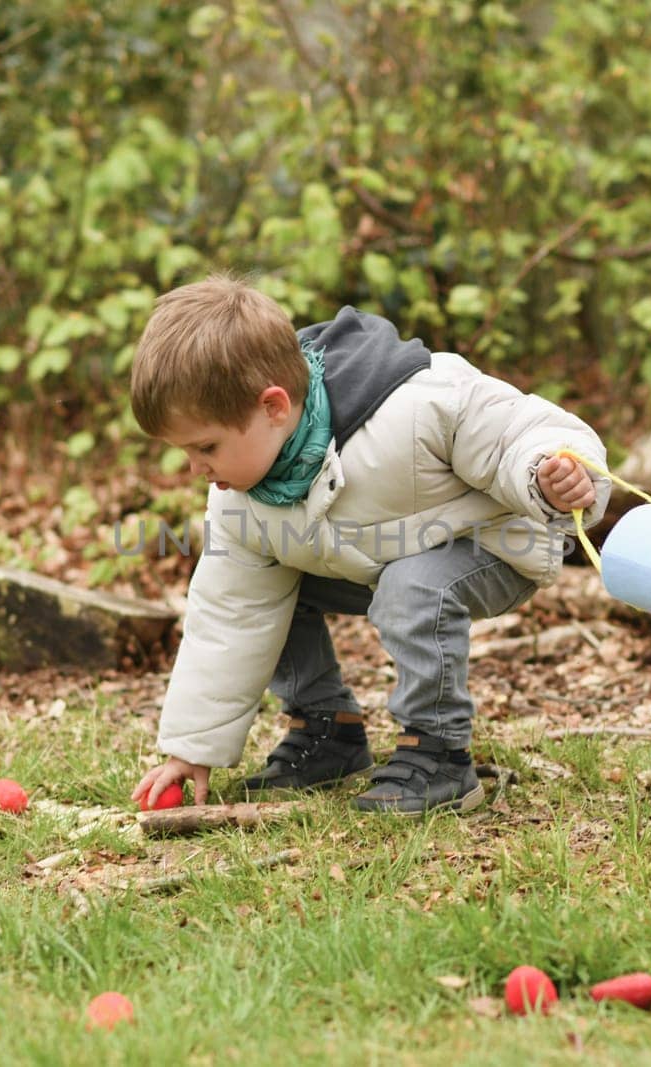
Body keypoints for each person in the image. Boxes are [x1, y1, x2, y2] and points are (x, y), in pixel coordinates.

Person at [127, 275, 609, 815]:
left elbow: (515, 429)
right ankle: (329, 731)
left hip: (497, 543)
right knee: (269, 580)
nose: (196, 469)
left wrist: (547, 471)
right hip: (379, 557)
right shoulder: (240, 496)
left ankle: (439, 754)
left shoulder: (413, 405)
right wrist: (192, 750)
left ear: (273, 407)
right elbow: (229, 613)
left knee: (413, 585)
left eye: (206, 447)